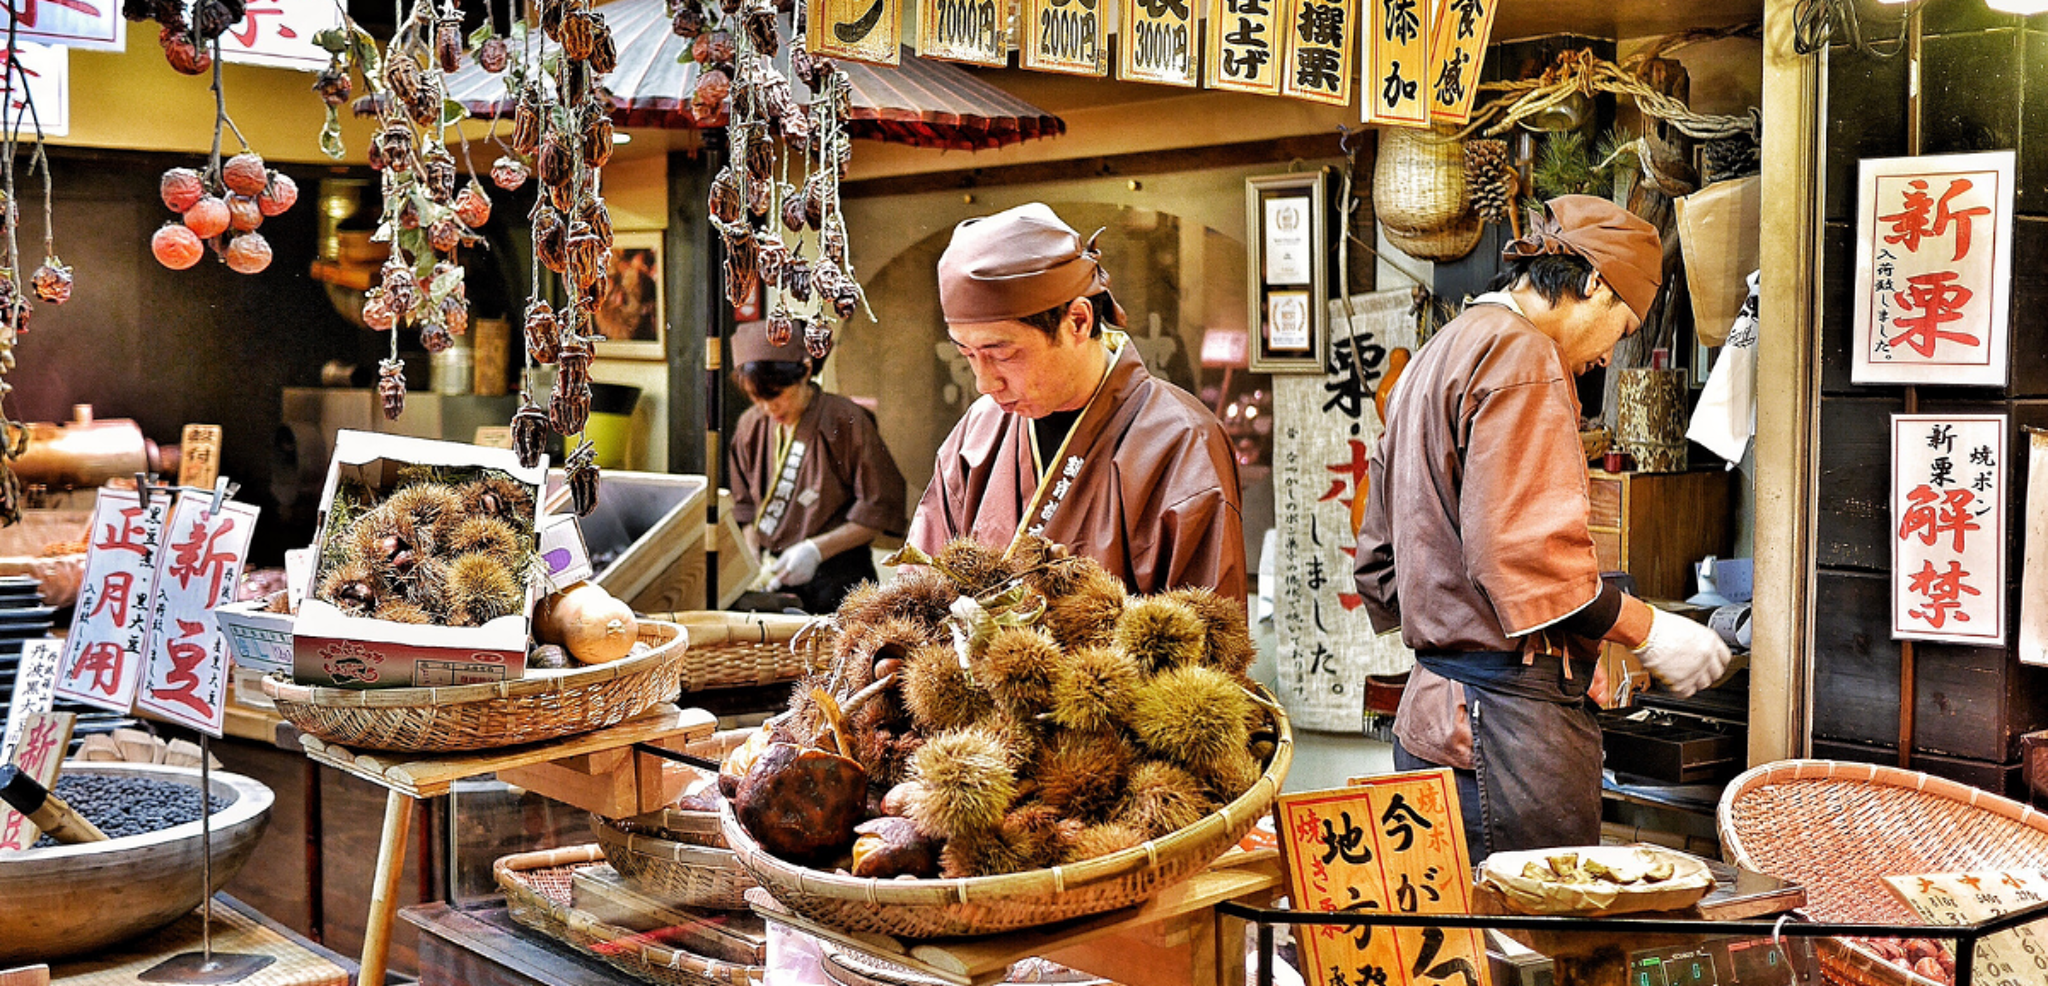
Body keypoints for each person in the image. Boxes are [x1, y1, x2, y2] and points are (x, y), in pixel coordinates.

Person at [1352, 195, 1731, 862]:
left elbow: (1379, 559)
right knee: (1532, 952)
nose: (1609, 354)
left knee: (1455, 948)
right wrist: (1650, 630)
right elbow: (1524, 555)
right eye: (1621, 324)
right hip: (1504, 732)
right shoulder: (1522, 356)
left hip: (1430, 718)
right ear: (1591, 283)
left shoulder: (1435, 356)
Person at [908, 202, 1247, 602]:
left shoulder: (1181, 441)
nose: (984, 383)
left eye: (1001, 353)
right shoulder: (978, 430)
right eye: (967, 354)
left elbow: (1204, 644)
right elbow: (918, 589)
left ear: (1078, 322)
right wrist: (889, 656)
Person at [727, 320, 909, 614]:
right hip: (775, 582)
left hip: (838, 580)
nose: (767, 409)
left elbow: (878, 509)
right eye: (755, 398)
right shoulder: (750, 425)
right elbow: (744, 508)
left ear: (806, 370)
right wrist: (752, 560)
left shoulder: (846, 420)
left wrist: (815, 550)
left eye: (775, 394)